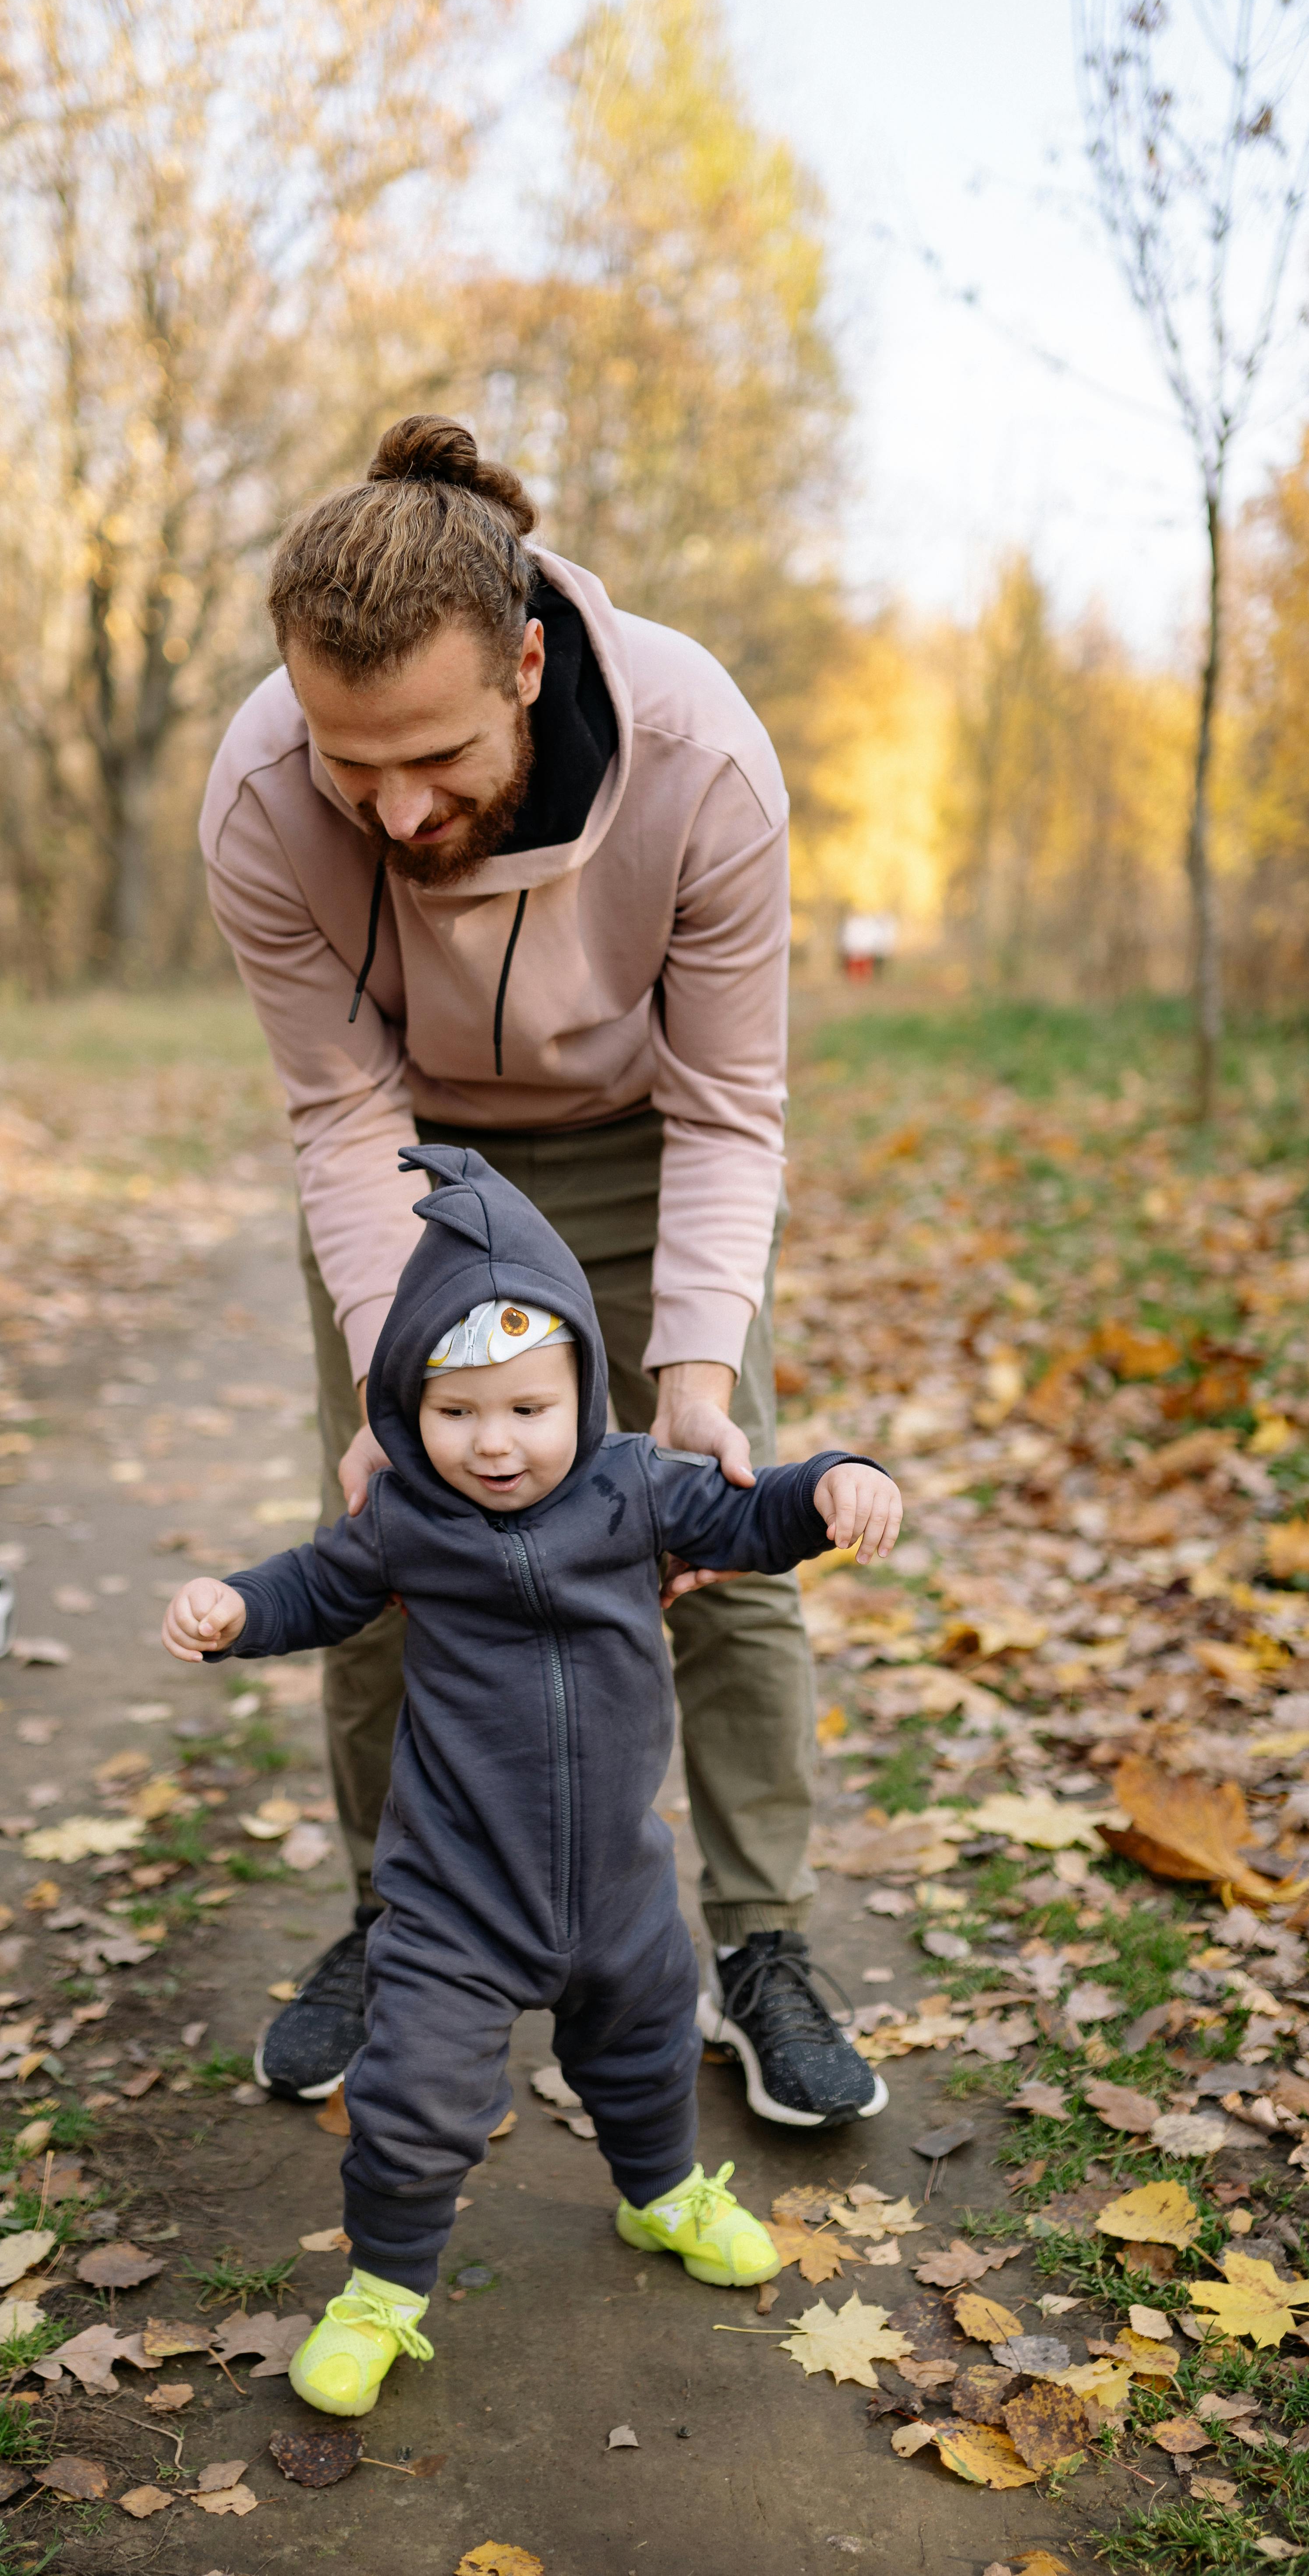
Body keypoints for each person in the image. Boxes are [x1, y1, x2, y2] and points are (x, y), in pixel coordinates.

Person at [200, 410, 868, 2130]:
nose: (394, 806)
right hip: (416, 1160)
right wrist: (383, 1389)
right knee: (388, 1530)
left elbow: (731, 1105)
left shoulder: (699, 754)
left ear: (523, 661)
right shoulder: (263, 793)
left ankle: (765, 1947)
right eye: (354, 764)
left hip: (650, 1139)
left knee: (719, 1527)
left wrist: (697, 1379)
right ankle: (389, 1912)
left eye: (430, 752)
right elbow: (340, 1115)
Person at [161, 1148, 903, 2419]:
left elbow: (754, 1513)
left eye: (526, 1409)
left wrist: (832, 1481)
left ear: (583, 1392)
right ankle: (382, 2292)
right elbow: (316, 1586)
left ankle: (662, 2195)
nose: (494, 1445)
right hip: (458, 1892)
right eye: (456, 1415)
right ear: (405, 1412)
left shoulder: (635, 1488)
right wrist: (238, 1606)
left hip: (616, 1879)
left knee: (648, 2048)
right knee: (414, 2094)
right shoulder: (406, 1519)